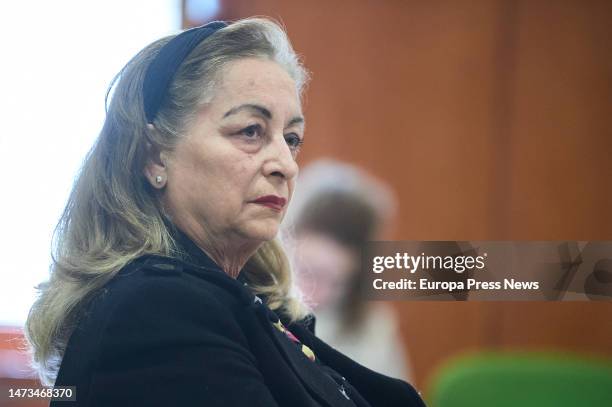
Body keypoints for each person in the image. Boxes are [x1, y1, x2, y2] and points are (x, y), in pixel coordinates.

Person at [24, 18, 426, 407]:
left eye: (292, 139)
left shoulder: (255, 306)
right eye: (250, 131)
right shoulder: (154, 312)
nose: (285, 164)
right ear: (153, 156)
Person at [283, 159, 412, 381]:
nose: (318, 294)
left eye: (335, 282)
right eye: (308, 273)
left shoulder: (374, 327)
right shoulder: (262, 305)